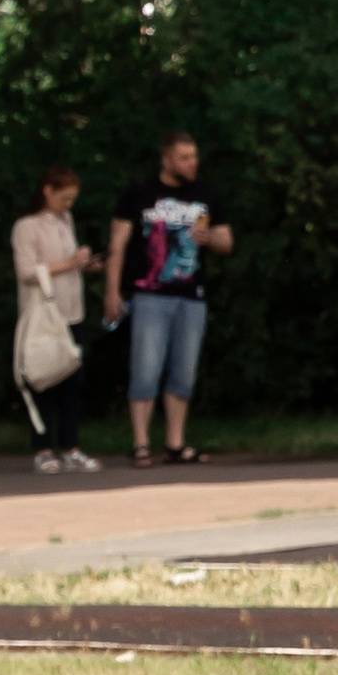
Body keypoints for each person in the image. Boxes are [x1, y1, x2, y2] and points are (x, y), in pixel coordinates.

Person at [104, 134, 233, 465]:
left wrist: (211, 238)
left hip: (192, 294)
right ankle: (141, 442)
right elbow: (117, 243)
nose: (192, 163)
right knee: (145, 367)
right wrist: (112, 291)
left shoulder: (205, 195)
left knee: (184, 370)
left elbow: (227, 242)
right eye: (185, 157)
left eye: (194, 157)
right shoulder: (140, 193)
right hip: (149, 292)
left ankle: (175, 443)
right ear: (167, 160)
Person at [12, 166, 100, 475]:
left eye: (72, 200)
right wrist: (68, 263)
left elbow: (67, 264)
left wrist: (84, 264)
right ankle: (42, 448)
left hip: (71, 311)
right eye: (64, 198)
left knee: (72, 382)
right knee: (44, 380)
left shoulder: (66, 221)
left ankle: (70, 447)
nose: (68, 205)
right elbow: (26, 271)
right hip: (43, 316)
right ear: (47, 191)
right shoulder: (27, 227)